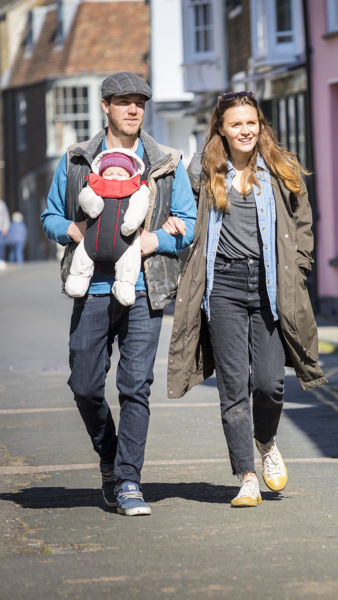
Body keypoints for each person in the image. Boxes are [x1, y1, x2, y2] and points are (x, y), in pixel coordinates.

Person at [41, 72, 197, 516]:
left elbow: (187, 221)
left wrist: (157, 241)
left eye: (140, 103)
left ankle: (129, 481)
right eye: (124, 102)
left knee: (135, 388)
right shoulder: (76, 160)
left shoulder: (166, 161)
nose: (133, 110)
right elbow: (50, 214)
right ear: (105, 106)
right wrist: (69, 229)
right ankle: (110, 456)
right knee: (85, 384)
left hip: (145, 288)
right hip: (90, 288)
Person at [167, 90, 326, 507]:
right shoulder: (203, 171)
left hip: (270, 286)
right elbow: (182, 215)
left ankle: (266, 440)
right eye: (236, 123)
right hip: (223, 287)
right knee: (233, 385)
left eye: (251, 122)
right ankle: (247, 476)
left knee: (270, 384)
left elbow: (302, 220)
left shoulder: (279, 166)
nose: (245, 130)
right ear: (220, 127)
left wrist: (300, 268)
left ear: (261, 124)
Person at [65, 148, 151, 306]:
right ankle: (78, 278)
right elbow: (85, 197)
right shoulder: (93, 186)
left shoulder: (137, 189)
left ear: (129, 174)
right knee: (82, 257)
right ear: (101, 173)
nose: (114, 178)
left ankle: (124, 285)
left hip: (125, 243)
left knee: (129, 262)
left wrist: (132, 222)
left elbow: (140, 204)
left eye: (120, 174)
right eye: (109, 173)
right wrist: (92, 205)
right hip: (91, 241)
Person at [0, 199, 9, 269]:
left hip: (1, 228)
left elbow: (5, 216)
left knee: (1, 245)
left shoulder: (1, 204)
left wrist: (6, 227)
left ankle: (1, 260)